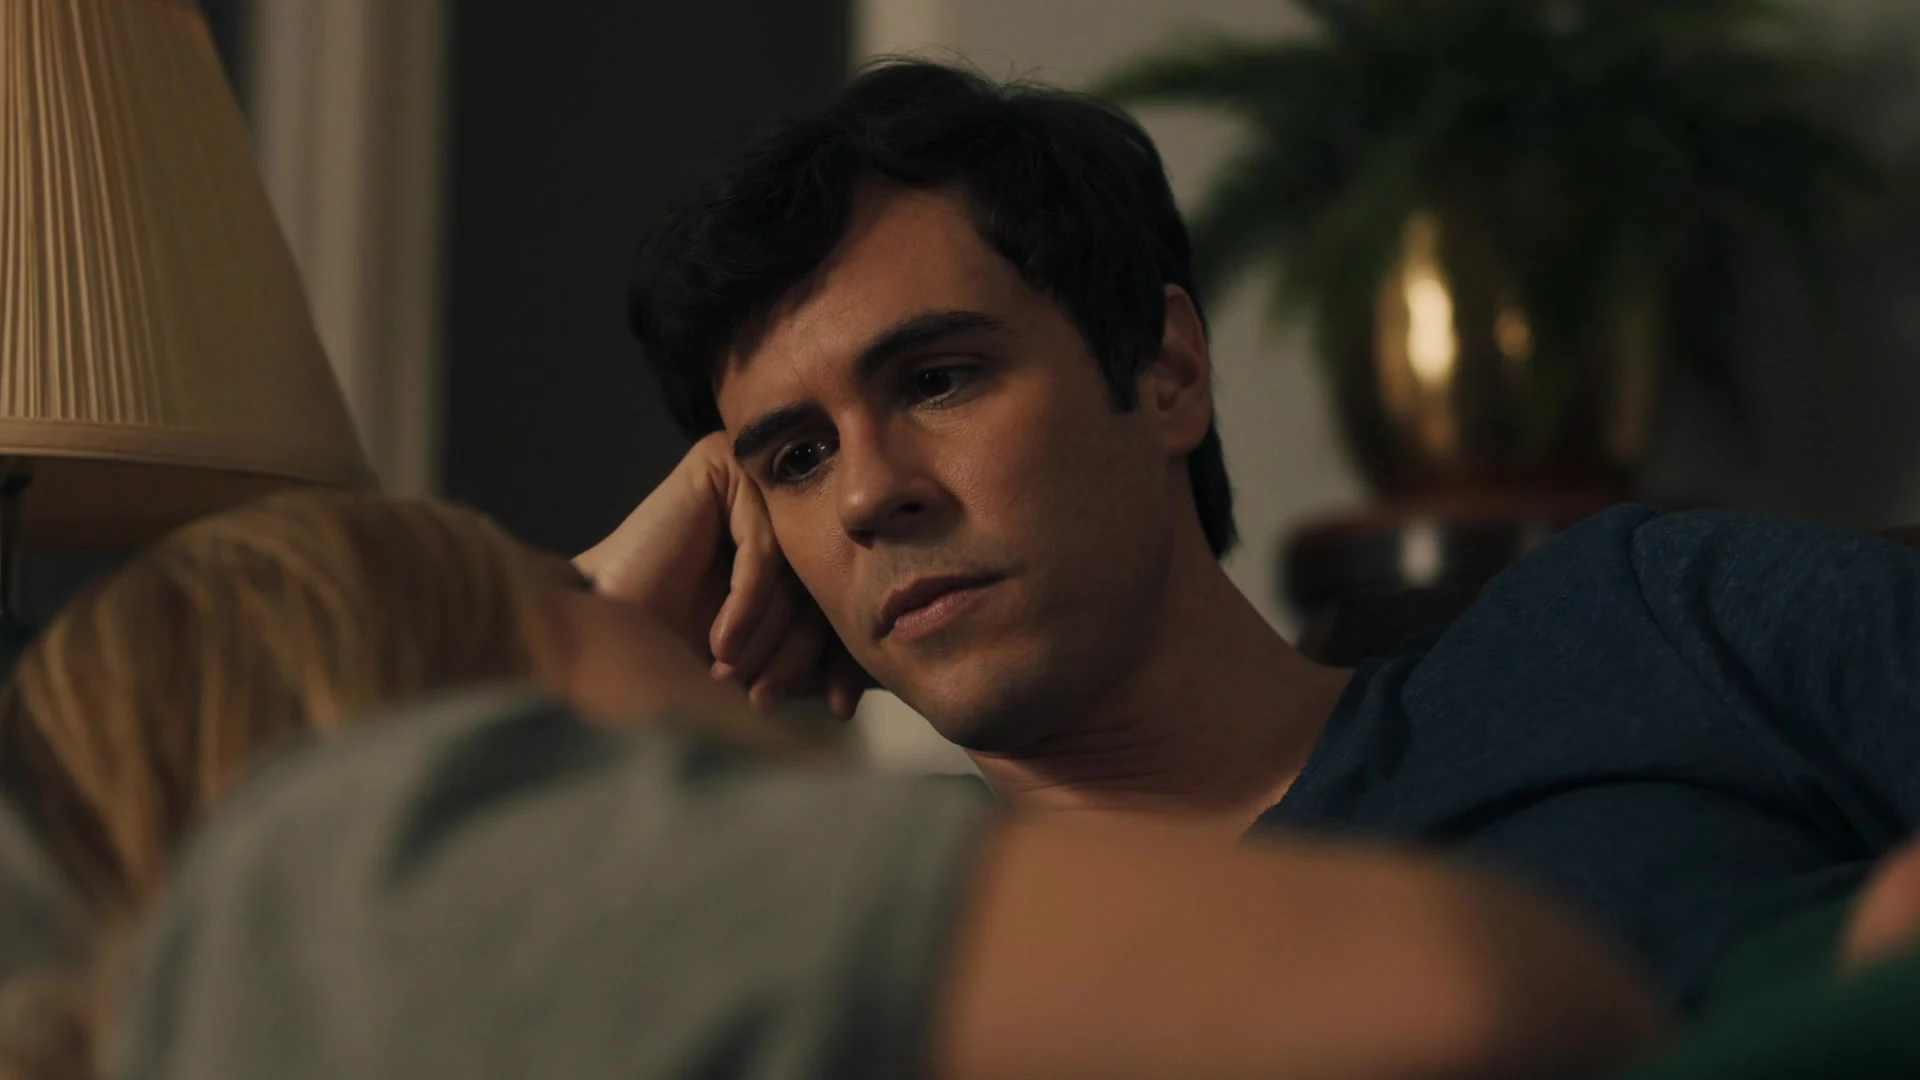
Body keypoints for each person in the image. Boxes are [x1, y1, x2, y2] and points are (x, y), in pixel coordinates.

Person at [579, 58, 1920, 1012]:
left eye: (937, 379)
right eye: (796, 459)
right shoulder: (881, 963)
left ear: (1164, 370)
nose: (869, 494)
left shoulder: (1637, 624)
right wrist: (585, 643)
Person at [0, 490, 1664, 1080]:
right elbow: (1475, 982)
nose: (859, 501)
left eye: (939, 379)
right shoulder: (351, 893)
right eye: (576, 589)